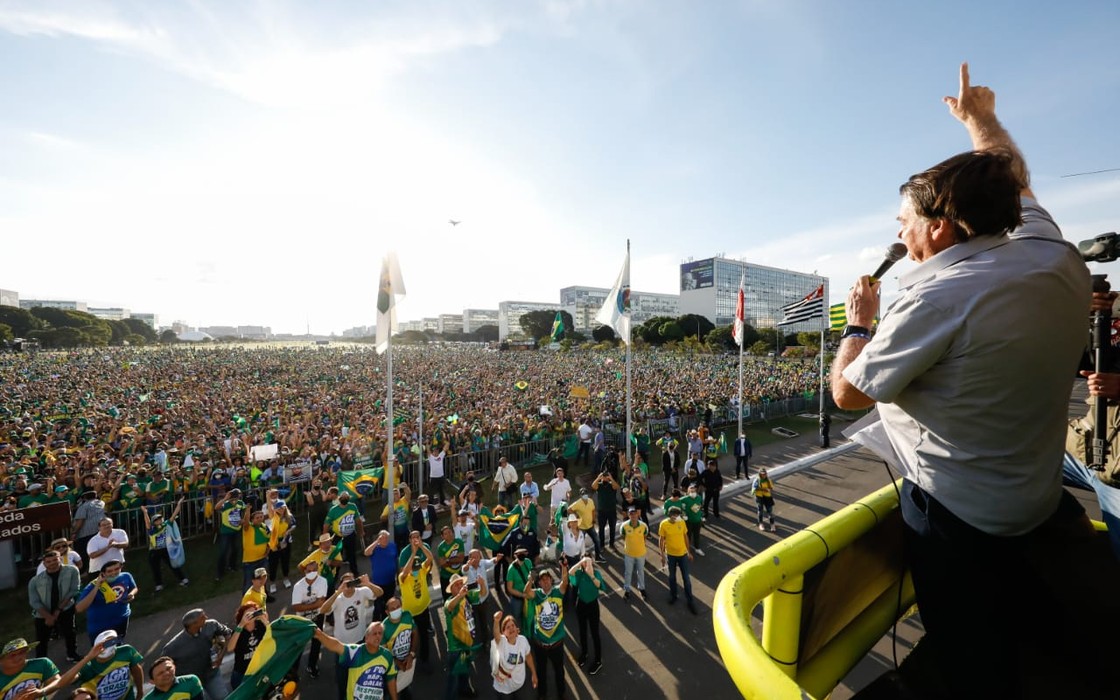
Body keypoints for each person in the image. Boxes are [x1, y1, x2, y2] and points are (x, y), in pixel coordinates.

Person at [830, 63, 1120, 697]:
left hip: (958, 518)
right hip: (1036, 501)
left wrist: (857, 326)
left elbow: (848, 392)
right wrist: (979, 121)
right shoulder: (1048, 249)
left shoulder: (935, 296)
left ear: (939, 226)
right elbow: (1013, 177)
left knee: (971, 659)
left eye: (902, 221)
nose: (898, 233)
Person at [313, 621, 399, 700]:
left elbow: (391, 679)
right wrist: (321, 635)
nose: (378, 636)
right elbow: (336, 645)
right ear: (366, 638)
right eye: (374, 633)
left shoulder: (387, 656)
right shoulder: (355, 652)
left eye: (380, 633)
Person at [160, 609, 231, 700]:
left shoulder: (212, 625)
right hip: (192, 683)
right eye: (202, 617)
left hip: (211, 674)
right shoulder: (172, 647)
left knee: (222, 697)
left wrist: (221, 655)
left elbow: (228, 634)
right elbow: (163, 666)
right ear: (193, 624)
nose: (206, 618)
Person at [28, 547, 81, 663]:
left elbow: (74, 590)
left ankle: (72, 654)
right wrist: (48, 617)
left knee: (70, 632)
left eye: (55, 560)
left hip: (65, 608)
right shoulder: (35, 581)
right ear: (44, 563)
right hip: (43, 614)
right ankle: (41, 662)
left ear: (60, 559)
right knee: (42, 639)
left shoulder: (72, 571)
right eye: (48, 561)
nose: (52, 563)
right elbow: (34, 601)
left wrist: (57, 611)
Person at [526, 561, 568, 700]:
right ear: (539, 583)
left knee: (559, 671)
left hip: (556, 643)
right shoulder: (537, 594)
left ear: (551, 580)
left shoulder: (557, 591)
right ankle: (542, 694)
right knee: (541, 671)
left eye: (547, 579)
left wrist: (563, 567)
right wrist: (530, 579)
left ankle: (561, 693)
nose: (545, 582)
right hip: (540, 644)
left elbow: (565, 583)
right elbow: (527, 592)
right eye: (542, 580)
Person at [76, 561, 138, 646]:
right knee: (102, 654)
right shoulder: (92, 586)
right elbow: (79, 608)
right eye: (109, 571)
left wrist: (131, 594)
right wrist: (97, 586)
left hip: (121, 620)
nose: (114, 573)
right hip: (100, 626)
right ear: (102, 573)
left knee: (118, 646)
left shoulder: (126, 576)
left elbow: (134, 588)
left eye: (117, 569)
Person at [443, 573, 484, 699]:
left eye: (461, 583)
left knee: (465, 672)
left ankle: (465, 691)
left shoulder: (466, 597)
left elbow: (482, 593)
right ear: (452, 589)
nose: (460, 586)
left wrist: (481, 584)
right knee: (453, 680)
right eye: (456, 585)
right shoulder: (450, 602)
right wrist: (460, 595)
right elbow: (449, 608)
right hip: (456, 648)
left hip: (467, 645)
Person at [73, 630, 146, 700]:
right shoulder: (88, 666)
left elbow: (136, 670)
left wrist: (140, 692)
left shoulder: (127, 651)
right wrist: (85, 660)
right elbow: (67, 680)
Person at [397, 540, 435, 670]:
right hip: (410, 614)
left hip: (423, 609)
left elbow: (430, 557)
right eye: (414, 567)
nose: (416, 570)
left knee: (424, 636)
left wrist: (421, 546)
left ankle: (424, 661)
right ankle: (407, 661)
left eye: (418, 567)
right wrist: (413, 554)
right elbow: (405, 572)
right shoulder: (404, 578)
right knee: (410, 640)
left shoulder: (422, 571)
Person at [567, 557, 608, 676]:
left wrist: (591, 575)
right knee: (582, 630)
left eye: (588, 562)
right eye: (584, 563)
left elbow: (600, 586)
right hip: (581, 604)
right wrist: (580, 562)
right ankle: (584, 653)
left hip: (593, 605)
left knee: (595, 633)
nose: (586, 565)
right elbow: (570, 573)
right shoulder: (579, 573)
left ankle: (598, 660)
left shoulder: (596, 573)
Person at [291, 560, 328, 680]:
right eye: (309, 571)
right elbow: (296, 606)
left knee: (316, 642)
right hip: (302, 619)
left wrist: (308, 606)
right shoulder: (298, 586)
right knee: (299, 645)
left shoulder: (323, 582)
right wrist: (315, 604)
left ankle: (312, 666)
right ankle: (293, 671)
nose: (311, 573)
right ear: (304, 571)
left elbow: (321, 602)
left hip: (318, 616)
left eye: (314, 570)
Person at [142, 498, 188, 592]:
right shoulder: (152, 529)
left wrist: (179, 504)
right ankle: (159, 585)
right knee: (155, 568)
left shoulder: (167, 524)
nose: (159, 520)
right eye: (156, 519)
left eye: (160, 518)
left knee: (173, 564)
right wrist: (145, 512)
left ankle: (183, 579)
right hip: (154, 551)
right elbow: (147, 522)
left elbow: (174, 514)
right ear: (153, 522)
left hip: (166, 549)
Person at [658, 506, 696, 615]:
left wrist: (688, 552)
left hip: (682, 554)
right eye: (677, 515)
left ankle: (690, 601)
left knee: (686, 578)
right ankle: (673, 595)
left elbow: (685, 537)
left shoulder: (682, 523)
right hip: (670, 555)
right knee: (672, 577)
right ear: (671, 515)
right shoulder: (664, 524)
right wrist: (662, 555)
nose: (679, 517)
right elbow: (661, 539)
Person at [490, 611, 537, 699]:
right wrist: (496, 621)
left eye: (513, 626)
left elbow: (528, 657)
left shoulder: (523, 640)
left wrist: (534, 673)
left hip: (520, 685)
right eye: (508, 627)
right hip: (504, 688)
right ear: (503, 632)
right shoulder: (502, 642)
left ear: (517, 629)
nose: (511, 628)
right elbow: (496, 635)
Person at [381, 597, 417, 699]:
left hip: (407, 662)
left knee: (406, 689)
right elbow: (384, 653)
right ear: (387, 612)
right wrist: (397, 663)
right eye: (392, 609)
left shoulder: (407, 616)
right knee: (391, 694)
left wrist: (411, 654)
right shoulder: (383, 628)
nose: (396, 610)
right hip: (392, 667)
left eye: (398, 606)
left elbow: (415, 633)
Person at [226, 603, 268, 690]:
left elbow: (273, 636)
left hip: (258, 670)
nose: (252, 615)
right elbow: (230, 648)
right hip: (242, 673)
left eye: (254, 612)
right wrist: (241, 624)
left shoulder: (260, 626)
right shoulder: (238, 631)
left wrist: (265, 621)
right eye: (248, 614)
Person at [326, 489, 364, 574]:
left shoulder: (353, 506)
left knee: (352, 555)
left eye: (346, 497)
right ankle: (335, 574)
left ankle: (354, 572)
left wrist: (361, 531)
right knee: (337, 556)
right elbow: (326, 524)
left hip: (350, 535)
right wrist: (325, 537)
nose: (344, 499)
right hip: (338, 537)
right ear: (339, 499)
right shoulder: (333, 510)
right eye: (343, 497)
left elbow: (358, 521)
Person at [214, 489, 245, 582]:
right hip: (226, 531)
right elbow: (216, 507)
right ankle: (220, 572)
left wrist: (243, 519)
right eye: (233, 499)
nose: (234, 501)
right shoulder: (225, 504)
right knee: (223, 552)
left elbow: (244, 511)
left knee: (236, 549)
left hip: (236, 530)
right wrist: (225, 498)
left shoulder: (240, 503)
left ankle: (232, 566)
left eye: (236, 499)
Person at [364, 530, 398, 617]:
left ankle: (387, 619)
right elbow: (366, 552)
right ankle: (376, 622)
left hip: (390, 581)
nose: (385, 540)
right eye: (383, 538)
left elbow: (396, 560)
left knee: (389, 603)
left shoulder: (392, 546)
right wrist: (376, 542)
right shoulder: (375, 548)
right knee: (378, 605)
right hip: (378, 584)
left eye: (387, 538)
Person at [266, 498, 297, 592]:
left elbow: (294, 525)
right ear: (275, 509)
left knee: (285, 561)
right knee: (273, 564)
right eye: (279, 508)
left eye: (283, 507)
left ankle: (286, 578)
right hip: (274, 544)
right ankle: (272, 582)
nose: (281, 509)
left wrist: (288, 531)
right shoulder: (273, 517)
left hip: (285, 543)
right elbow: (269, 532)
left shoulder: (289, 516)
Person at [240, 509, 273, 598]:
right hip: (250, 562)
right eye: (257, 518)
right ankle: (246, 603)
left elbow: (269, 540)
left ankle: (264, 596)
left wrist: (267, 552)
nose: (259, 519)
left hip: (262, 559)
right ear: (252, 520)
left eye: (261, 517)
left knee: (263, 580)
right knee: (248, 583)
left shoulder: (264, 527)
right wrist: (247, 510)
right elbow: (246, 522)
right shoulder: (248, 528)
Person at [619, 506, 649, 601]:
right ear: (628, 515)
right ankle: (627, 590)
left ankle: (642, 588)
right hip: (629, 554)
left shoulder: (643, 526)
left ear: (638, 514)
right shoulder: (624, 526)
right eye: (631, 514)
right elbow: (623, 536)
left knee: (640, 572)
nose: (633, 516)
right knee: (628, 572)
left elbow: (645, 536)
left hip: (641, 553)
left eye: (634, 513)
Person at [72, 492, 106, 572]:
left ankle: (84, 571)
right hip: (98, 532)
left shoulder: (84, 506)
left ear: (84, 498)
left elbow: (80, 520)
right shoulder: (101, 503)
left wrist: (74, 532)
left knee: (84, 554)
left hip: (85, 534)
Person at [566, 488, 602, 562]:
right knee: (580, 544)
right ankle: (579, 560)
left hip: (590, 525)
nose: (584, 495)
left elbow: (593, 510)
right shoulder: (578, 503)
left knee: (597, 540)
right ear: (580, 495)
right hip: (581, 527)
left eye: (585, 494)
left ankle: (598, 557)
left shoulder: (590, 501)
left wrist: (594, 519)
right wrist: (576, 515)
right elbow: (569, 509)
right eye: (583, 494)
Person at [591, 469, 619, 550]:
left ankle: (612, 544)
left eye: (606, 476)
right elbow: (593, 486)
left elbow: (617, 487)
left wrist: (611, 478)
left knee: (612, 528)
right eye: (604, 476)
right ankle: (602, 545)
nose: (605, 478)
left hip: (612, 510)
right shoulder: (599, 485)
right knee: (601, 529)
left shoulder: (612, 485)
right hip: (602, 511)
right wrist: (598, 478)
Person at [436, 525, 466, 595]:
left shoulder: (459, 542)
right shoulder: (441, 547)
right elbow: (442, 564)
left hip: (458, 574)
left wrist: (447, 560)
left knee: (462, 593)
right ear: (442, 536)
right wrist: (455, 559)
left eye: (450, 532)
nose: (449, 534)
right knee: (447, 596)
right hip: (446, 576)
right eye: (446, 533)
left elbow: (461, 559)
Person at [657, 432, 680, 499]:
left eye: (672, 444)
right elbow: (664, 463)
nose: (671, 445)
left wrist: (675, 468)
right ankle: (664, 495)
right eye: (670, 445)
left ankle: (676, 494)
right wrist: (670, 469)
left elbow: (678, 462)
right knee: (666, 482)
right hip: (667, 470)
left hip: (675, 469)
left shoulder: (676, 453)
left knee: (675, 483)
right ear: (668, 446)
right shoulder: (665, 454)